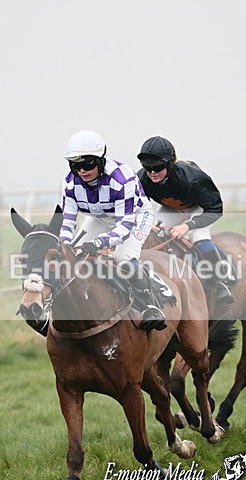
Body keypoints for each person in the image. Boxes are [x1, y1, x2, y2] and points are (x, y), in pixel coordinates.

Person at [56, 129, 166, 331]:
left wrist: (99, 243)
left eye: (87, 164)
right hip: (99, 216)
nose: (81, 171)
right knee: (71, 254)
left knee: (122, 258)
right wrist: (64, 245)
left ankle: (151, 305)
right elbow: (67, 223)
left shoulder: (122, 178)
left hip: (135, 217)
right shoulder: (70, 184)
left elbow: (124, 226)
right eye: (75, 165)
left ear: (100, 161)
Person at [136, 136, 234, 303]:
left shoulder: (194, 178)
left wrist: (188, 226)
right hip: (172, 208)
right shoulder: (143, 178)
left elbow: (216, 209)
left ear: (170, 163)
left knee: (198, 237)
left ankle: (221, 280)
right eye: (147, 167)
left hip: (200, 207)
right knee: (149, 234)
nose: (152, 172)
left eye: (158, 167)